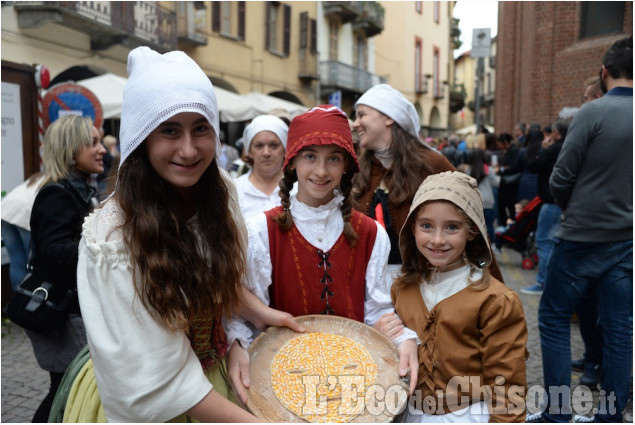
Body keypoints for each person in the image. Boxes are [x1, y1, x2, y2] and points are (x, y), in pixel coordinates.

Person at [62, 46, 300, 423]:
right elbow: (155, 386)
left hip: (213, 377)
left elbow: (209, 277)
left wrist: (254, 317)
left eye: (200, 128)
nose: (188, 150)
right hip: (160, 399)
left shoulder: (220, 190)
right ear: (142, 137)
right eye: (169, 130)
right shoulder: (112, 239)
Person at [226, 105, 420, 407]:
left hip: (352, 381)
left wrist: (404, 337)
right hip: (282, 381)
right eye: (310, 156)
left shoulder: (370, 233)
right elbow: (250, 313)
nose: (320, 171)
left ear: (346, 166)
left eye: (333, 158)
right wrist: (237, 343)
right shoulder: (262, 231)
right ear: (292, 163)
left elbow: (377, 308)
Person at [538, 36, 632, 423]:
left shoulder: (591, 113)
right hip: (626, 238)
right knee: (619, 327)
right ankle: (611, 415)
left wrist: (574, 208)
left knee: (554, 318)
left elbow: (561, 177)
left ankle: (558, 412)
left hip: (580, 236)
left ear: (604, 71)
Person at [392, 171, 527, 422]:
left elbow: (507, 383)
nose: (438, 239)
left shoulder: (494, 300)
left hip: (467, 415)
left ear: (472, 231)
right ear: (413, 227)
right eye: (426, 226)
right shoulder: (402, 288)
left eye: (452, 227)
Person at [351, 84, 504, 283]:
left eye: (361, 115)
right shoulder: (358, 168)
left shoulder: (431, 164)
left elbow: (470, 221)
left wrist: (492, 285)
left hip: (423, 285)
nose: (355, 124)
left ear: (388, 117)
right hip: (366, 287)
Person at [24, 114, 104, 422]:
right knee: (66, 387)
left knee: (68, 386)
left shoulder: (80, 190)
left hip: (71, 307)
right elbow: (54, 252)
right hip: (59, 311)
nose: (102, 150)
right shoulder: (57, 193)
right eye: (92, 143)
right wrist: (104, 248)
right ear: (71, 150)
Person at [520, 119, 568, 296]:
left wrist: (543, 149)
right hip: (564, 203)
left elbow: (533, 165)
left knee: (544, 241)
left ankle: (543, 283)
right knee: (556, 243)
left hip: (551, 202)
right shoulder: (570, 148)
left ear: (556, 133)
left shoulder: (553, 150)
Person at [234, 114, 291, 222]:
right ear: (249, 151)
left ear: (284, 150)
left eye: (274, 145)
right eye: (259, 146)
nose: (266, 153)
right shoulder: (234, 191)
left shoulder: (300, 190)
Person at [1, 172, 45, 288]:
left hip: (6, 211)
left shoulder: (39, 176)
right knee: (34, 263)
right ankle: (31, 302)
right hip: (24, 213)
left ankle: (18, 300)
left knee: (17, 262)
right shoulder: (57, 178)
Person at [463, 148, 500, 242]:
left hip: (474, 202)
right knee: (489, 225)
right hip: (488, 202)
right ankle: (491, 246)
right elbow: (496, 183)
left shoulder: (469, 170)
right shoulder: (489, 169)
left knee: (475, 227)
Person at [495, 132, 522, 226]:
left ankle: (508, 226)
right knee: (503, 206)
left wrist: (501, 169)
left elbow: (513, 166)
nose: (499, 146)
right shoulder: (509, 151)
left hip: (510, 184)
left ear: (505, 142)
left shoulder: (513, 151)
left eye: (499, 144)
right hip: (507, 184)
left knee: (508, 206)